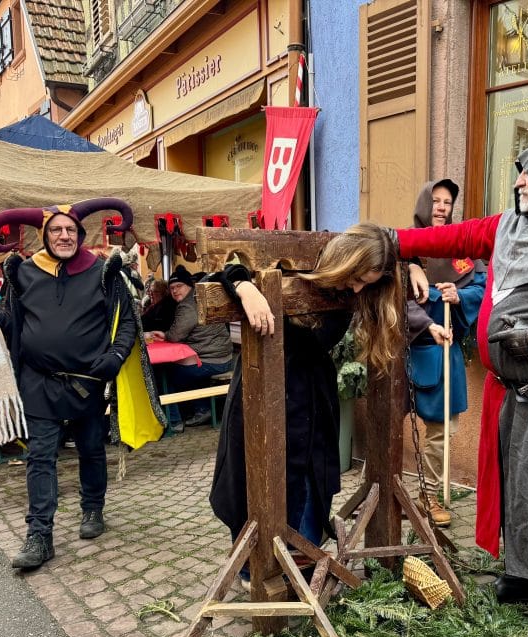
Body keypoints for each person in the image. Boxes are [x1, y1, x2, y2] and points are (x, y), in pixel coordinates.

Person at [329, 135, 528, 637]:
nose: (519, 181)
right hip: (518, 388)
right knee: (522, 489)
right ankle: (524, 575)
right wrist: (393, 243)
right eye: (521, 171)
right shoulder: (514, 225)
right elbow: (455, 238)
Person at [209, 227, 412, 585]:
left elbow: (395, 253)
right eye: (357, 278)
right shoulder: (290, 271)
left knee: (309, 478)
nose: (357, 289)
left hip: (313, 394)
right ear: (343, 261)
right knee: (253, 478)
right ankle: (255, 568)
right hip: (262, 387)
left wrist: (416, 268)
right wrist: (244, 287)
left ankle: (301, 558)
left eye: (368, 283)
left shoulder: (358, 289)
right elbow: (217, 267)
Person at [0, 198, 144, 570]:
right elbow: (15, 327)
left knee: (90, 449)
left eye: (70, 229)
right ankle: (40, 536)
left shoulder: (103, 271)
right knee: (39, 457)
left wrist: (116, 357)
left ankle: (93, 509)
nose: (63, 235)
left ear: (80, 234)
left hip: (87, 381)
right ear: (44, 235)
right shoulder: (23, 273)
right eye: (56, 229)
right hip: (38, 382)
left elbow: (128, 320)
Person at [405, 178, 485, 528]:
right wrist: (425, 317)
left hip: (447, 351)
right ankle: (404, 491)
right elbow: (393, 298)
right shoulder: (407, 247)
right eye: (435, 200)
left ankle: (429, 492)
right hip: (412, 349)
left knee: (443, 430)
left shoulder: (460, 249)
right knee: (411, 426)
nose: (441, 207)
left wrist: (459, 296)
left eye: (447, 202)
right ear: (425, 203)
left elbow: (482, 287)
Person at [147, 265, 233, 429]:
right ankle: (201, 409)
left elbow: (176, 336)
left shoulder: (188, 305)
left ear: (189, 285)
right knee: (186, 370)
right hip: (223, 357)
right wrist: (166, 334)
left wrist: (167, 335)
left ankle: (174, 421)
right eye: (172, 288)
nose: (174, 291)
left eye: (179, 286)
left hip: (212, 360)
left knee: (165, 373)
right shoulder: (200, 298)